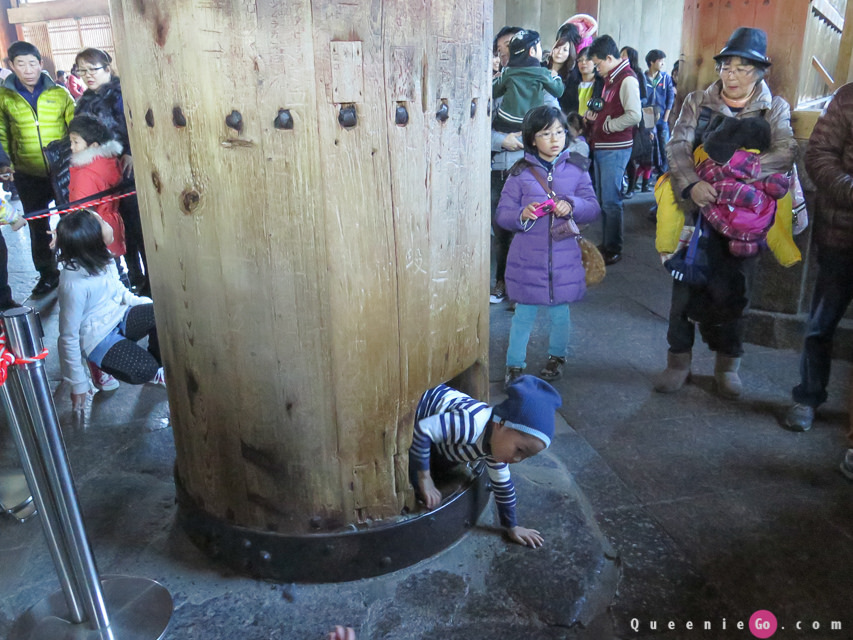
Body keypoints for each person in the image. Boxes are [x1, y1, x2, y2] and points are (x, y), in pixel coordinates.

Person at [653, 27, 796, 398]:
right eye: (727, 67)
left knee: (737, 290)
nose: (732, 76)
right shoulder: (698, 101)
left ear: (759, 72)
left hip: (744, 219)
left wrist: (737, 172)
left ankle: (727, 364)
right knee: (684, 285)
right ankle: (678, 361)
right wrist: (692, 185)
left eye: (743, 68)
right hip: (697, 212)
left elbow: (785, 151)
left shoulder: (774, 107)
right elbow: (677, 145)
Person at [496, 106, 600, 383]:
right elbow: (502, 215)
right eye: (546, 134)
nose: (555, 139)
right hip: (527, 260)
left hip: (564, 258)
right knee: (523, 315)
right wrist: (522, 214)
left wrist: (573, 205)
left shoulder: (577, 169)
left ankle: (557, 356)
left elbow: (592, 207)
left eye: (559, 132)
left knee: (560, 314)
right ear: (531, 139)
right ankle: (514, 364)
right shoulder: (519, 172)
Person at [409, 374, 562, 548]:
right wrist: (424, 479)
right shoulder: (470, 425)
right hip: (417, 407)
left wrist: (512, 527)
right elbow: (422, 431)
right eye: (519, 450)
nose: (517, 459)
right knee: (415, 478)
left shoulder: (497, 446)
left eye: (526, 456)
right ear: (501, 424)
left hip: (441, 435)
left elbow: (503, 486)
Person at [783, 82, 853, 442]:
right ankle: (808, 396)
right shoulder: (848, 97)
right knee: (821, 323)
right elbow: (820, 156)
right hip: (842, 235)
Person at [56, 210, 163, 411]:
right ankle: (97, 362)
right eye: (103, 223)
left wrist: (143, 304)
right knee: (143, 370)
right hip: (97, 336)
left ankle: (155, 367)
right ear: (92, 239)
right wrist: (77, 381)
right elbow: (68, 337)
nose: (108, 223)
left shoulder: (102, 256)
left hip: (118, 316)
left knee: (162, 313)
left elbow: (119, 289)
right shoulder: (72, 285)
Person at [0, 41, 74, 297]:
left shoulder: (61, 94)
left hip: (63, 172)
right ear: (11, 66)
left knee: (72, 219)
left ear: (41, 65)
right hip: (27, 173)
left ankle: (77, 267)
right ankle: (48, 275)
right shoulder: (4, 97)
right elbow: (1, 132)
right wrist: (5, 162)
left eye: (32, 63)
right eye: (20, 64)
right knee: (37, 225)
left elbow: (75, 127)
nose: (28, 69)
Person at [74, 48, 149, 294]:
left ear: (107, 68)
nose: (87, 75)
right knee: (112, 223)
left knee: (136, 224)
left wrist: (131, 151)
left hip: (125, 170)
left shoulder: (123, 95)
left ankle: (149, 278)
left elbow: (140, 126)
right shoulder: (83, 101)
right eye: (82, 70)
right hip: (98, 173)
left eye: (92, 69)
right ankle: (130, 276)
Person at [584, 35, 641, 265]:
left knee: (611, 200)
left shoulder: (627, 79)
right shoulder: (611, 77)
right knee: (605, 199)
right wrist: (596, 118)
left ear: (610, 58)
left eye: (598, 64)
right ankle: (608, 244)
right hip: (603, 145)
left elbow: (634, 114)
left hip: (615, 147)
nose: (597, 69)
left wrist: (607, 125)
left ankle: (614, 247)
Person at [489, 26, 524, 306]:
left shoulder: (542, 82)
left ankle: (523, 288)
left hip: (531, 171)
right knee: (502, 231)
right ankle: (501, 280)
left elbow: (553, 127)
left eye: (511, 47)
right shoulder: (494, 85)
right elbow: (476, 127)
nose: (507, 55)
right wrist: (502, 139)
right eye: (502, 51)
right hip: (499, 169)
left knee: (530, 231)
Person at [68, 114, 126, 268]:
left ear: (93, 145)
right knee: (115, 269)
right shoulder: (107, 161)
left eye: (76, 142)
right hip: (111, 225)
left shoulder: (86, 174)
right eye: (70, 142)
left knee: (102, 274)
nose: (71, 147)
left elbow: (83, 213)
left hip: (94, 235)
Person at [492, 30, 564, 134]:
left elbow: (494, 91)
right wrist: (556, 77)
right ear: (532, 51)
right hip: (531, 122)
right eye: (539, 47)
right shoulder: (542, 73)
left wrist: (495, 80)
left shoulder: (508, 72)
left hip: (506, 122)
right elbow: (558, 91)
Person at [619, 46, 653, 199]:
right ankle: (623, 185)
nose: (621, 58)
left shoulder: (638, 74)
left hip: (635, 122)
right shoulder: (618, 73)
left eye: (624, 56)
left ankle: (631, 187)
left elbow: (646, 101)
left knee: (631, 156)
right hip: (621, 119)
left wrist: (650, 128)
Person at [644, 49, 676, 174]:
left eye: (663, 61)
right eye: (660, 61)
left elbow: (670, 97)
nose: (663, 63)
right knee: (651, 146)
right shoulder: (643, 77)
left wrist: (666, 117)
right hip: (648, 114)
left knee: (664, 145)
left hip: (662, 115)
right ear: (652, 62)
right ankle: (651, 173)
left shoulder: (665, 78)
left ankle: (664, 172)